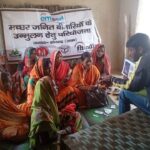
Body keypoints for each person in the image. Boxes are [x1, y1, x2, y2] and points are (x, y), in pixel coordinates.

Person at [102, 33, 150, 114]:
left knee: (123, 93)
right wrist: (133, 80)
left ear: (140, 49)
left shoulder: (144, 61)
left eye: (131, 50)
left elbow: (130, 86)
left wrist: (112, 78)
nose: (129, 54)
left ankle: (121, 120)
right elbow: (143, 81)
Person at [29, 76, 82, 149]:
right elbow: (48, 139)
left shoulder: (45, 103)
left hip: (52, 131)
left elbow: (53, 116)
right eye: (53, 86)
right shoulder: (41, 115)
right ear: (47, 90)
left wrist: (63, 114)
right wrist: (68, 129)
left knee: (75, 115)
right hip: (47, 144)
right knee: (75, 122)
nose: (56, 87)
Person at [0, 71, 29, 141]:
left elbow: (13, 106)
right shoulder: (1, 98)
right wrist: (21, 116)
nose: (11, 84)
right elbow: (7, 115)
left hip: (13, 118)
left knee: (28, 106)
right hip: (4, 124)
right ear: (2, 83)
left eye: (10, 81)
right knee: (22, 131)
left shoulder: (6, 92)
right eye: (9, 82)